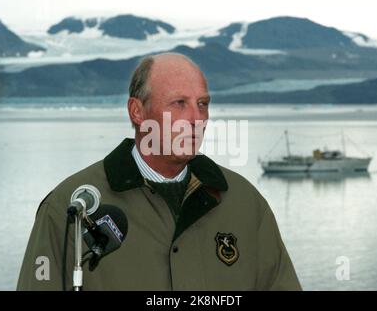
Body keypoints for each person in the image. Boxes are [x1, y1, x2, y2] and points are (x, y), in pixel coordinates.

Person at [17, 53, 302, 290]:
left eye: (202, 104)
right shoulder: (70, 208)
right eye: (179, 104)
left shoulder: (245, 203)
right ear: (137, 112)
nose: (196, 119)